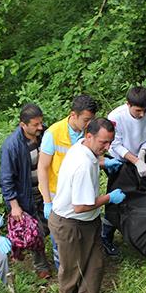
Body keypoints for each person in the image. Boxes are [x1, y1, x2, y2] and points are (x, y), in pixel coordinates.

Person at [49, 118, 126, 293]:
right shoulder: (82, 164)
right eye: (103, 143)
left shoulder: (82, 147)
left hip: (87, 221)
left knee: (95, 261)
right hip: (71, 223)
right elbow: (81, 206)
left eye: (110, 142)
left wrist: (103, 162)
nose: (107, 147)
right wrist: (110, 198)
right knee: (73, 266)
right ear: (89, 136)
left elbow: (94, 157)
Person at [38, 95, 122, 268]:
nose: (89, 123)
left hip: (82, 191)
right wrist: (47, 201)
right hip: (58, 194)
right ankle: (62, 267)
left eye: (92, 119)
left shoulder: (88, 133)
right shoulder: (53, 134)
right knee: (61, 241)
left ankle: (80, 268)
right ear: (73, 115)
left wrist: (104, 161)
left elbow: (87, 157)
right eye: (86, 119)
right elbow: (43, 168)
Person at [101, 86, 146, 256]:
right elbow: (115, 144)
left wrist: (143, 154)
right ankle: (106, 237)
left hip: (141, 153)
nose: (142, 115)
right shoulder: (116, 117)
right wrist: (136, 161)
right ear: (128, 104)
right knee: (119, 195)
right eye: (138, 111)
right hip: (119, 157)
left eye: (144, 110)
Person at [0, 103, 52, 279]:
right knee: (36, 231)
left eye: (41, 123)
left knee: (49, 225)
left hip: (47, 190)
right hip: (26, 196)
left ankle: (20, 243)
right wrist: (14, 205)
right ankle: (40, 266)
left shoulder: (45, 135)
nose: (40, 127)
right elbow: (6, 179)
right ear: (23, 125)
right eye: (35, 124)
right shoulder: (12, 146)